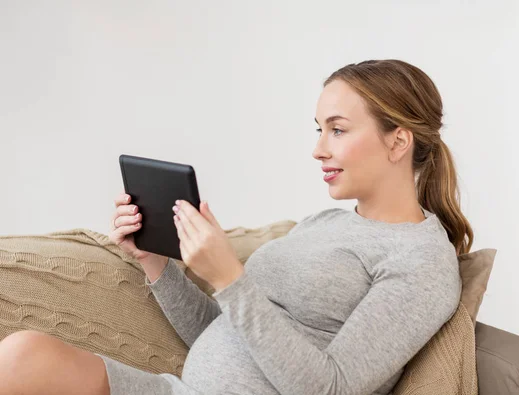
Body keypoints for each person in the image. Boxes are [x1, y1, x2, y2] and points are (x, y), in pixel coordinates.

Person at [0, 59, 473, 395]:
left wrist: (230, 276)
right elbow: (229, 333)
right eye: (318, 129)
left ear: (398, 142)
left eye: (338, 129)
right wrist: (157, 264)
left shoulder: (420, 261)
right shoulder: (322, 223)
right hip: (177, 389)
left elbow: (333, 386)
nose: (318, 149)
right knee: (24, 354)